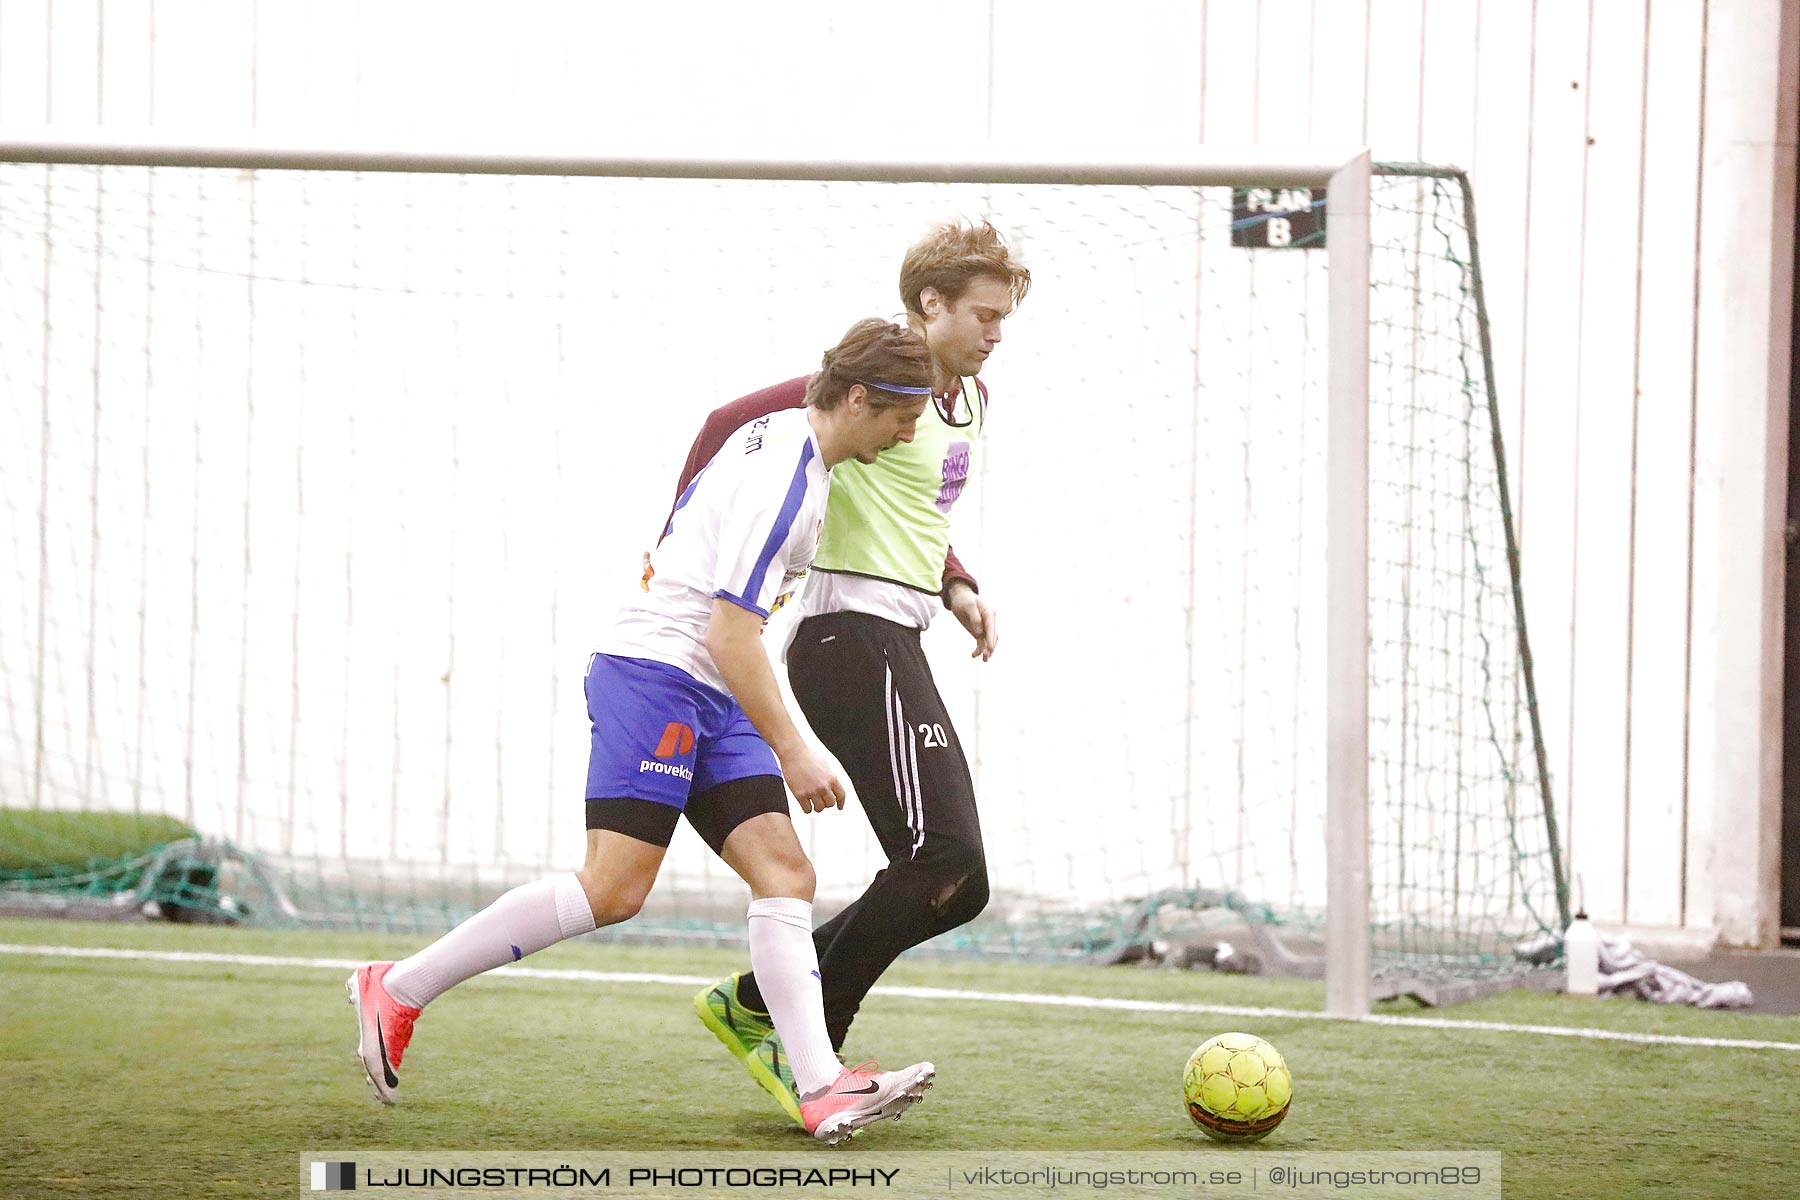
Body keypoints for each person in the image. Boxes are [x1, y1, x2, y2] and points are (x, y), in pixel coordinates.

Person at [346, 318, 939, 1145]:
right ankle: (398, 988)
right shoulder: (788, 477)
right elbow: (733, 633)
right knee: (613, 889)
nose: (911, 431)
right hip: (657, 675)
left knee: (784, 870)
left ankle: (820, 1088)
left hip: (708, 685)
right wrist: (797, 749)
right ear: (857, 397)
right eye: (904, 414)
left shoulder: (789, 440)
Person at [682, 221, 1030, 1125]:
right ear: (931, 305)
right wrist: (680, 532)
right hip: (848, 637)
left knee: (962, 878)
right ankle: (809, 1053)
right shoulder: (874, 375)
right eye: (984, 314)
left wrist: (954, 581)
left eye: (1005, 317)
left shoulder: (967, 400)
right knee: (942, 857)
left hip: (901, 634)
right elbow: (732, 422)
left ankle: (762, 1006)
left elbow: (916, 502)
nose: (997, 331)